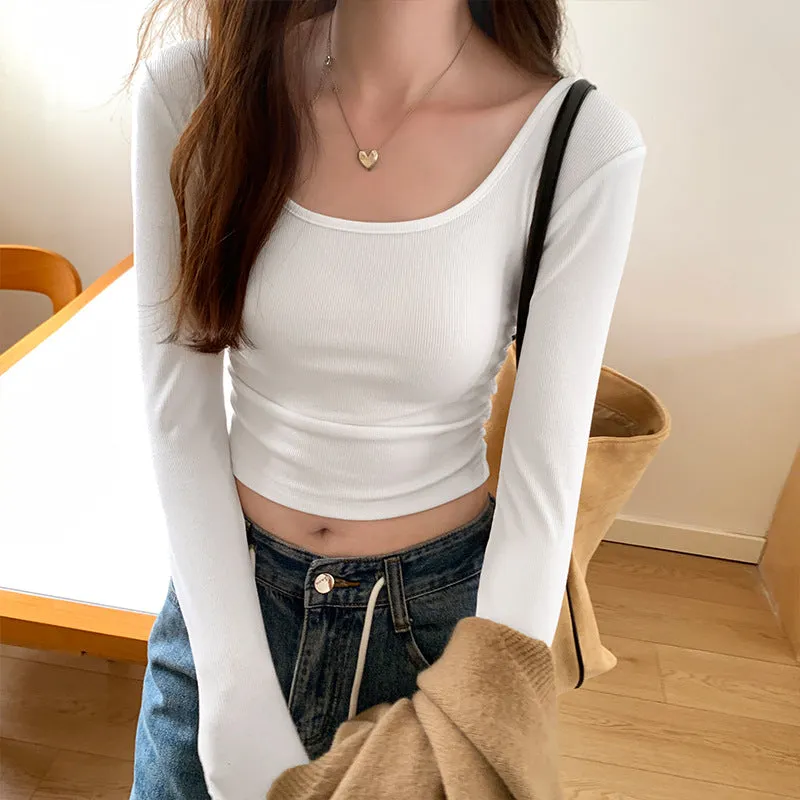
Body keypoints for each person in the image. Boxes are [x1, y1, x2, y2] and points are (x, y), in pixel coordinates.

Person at [128, 1, 645, 798]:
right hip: (227, 603)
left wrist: (493, 700)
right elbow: (178, 414)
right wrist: (232, 684)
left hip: (435, 637)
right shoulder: (199, 89)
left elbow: (543, 487)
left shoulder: (577, 141)